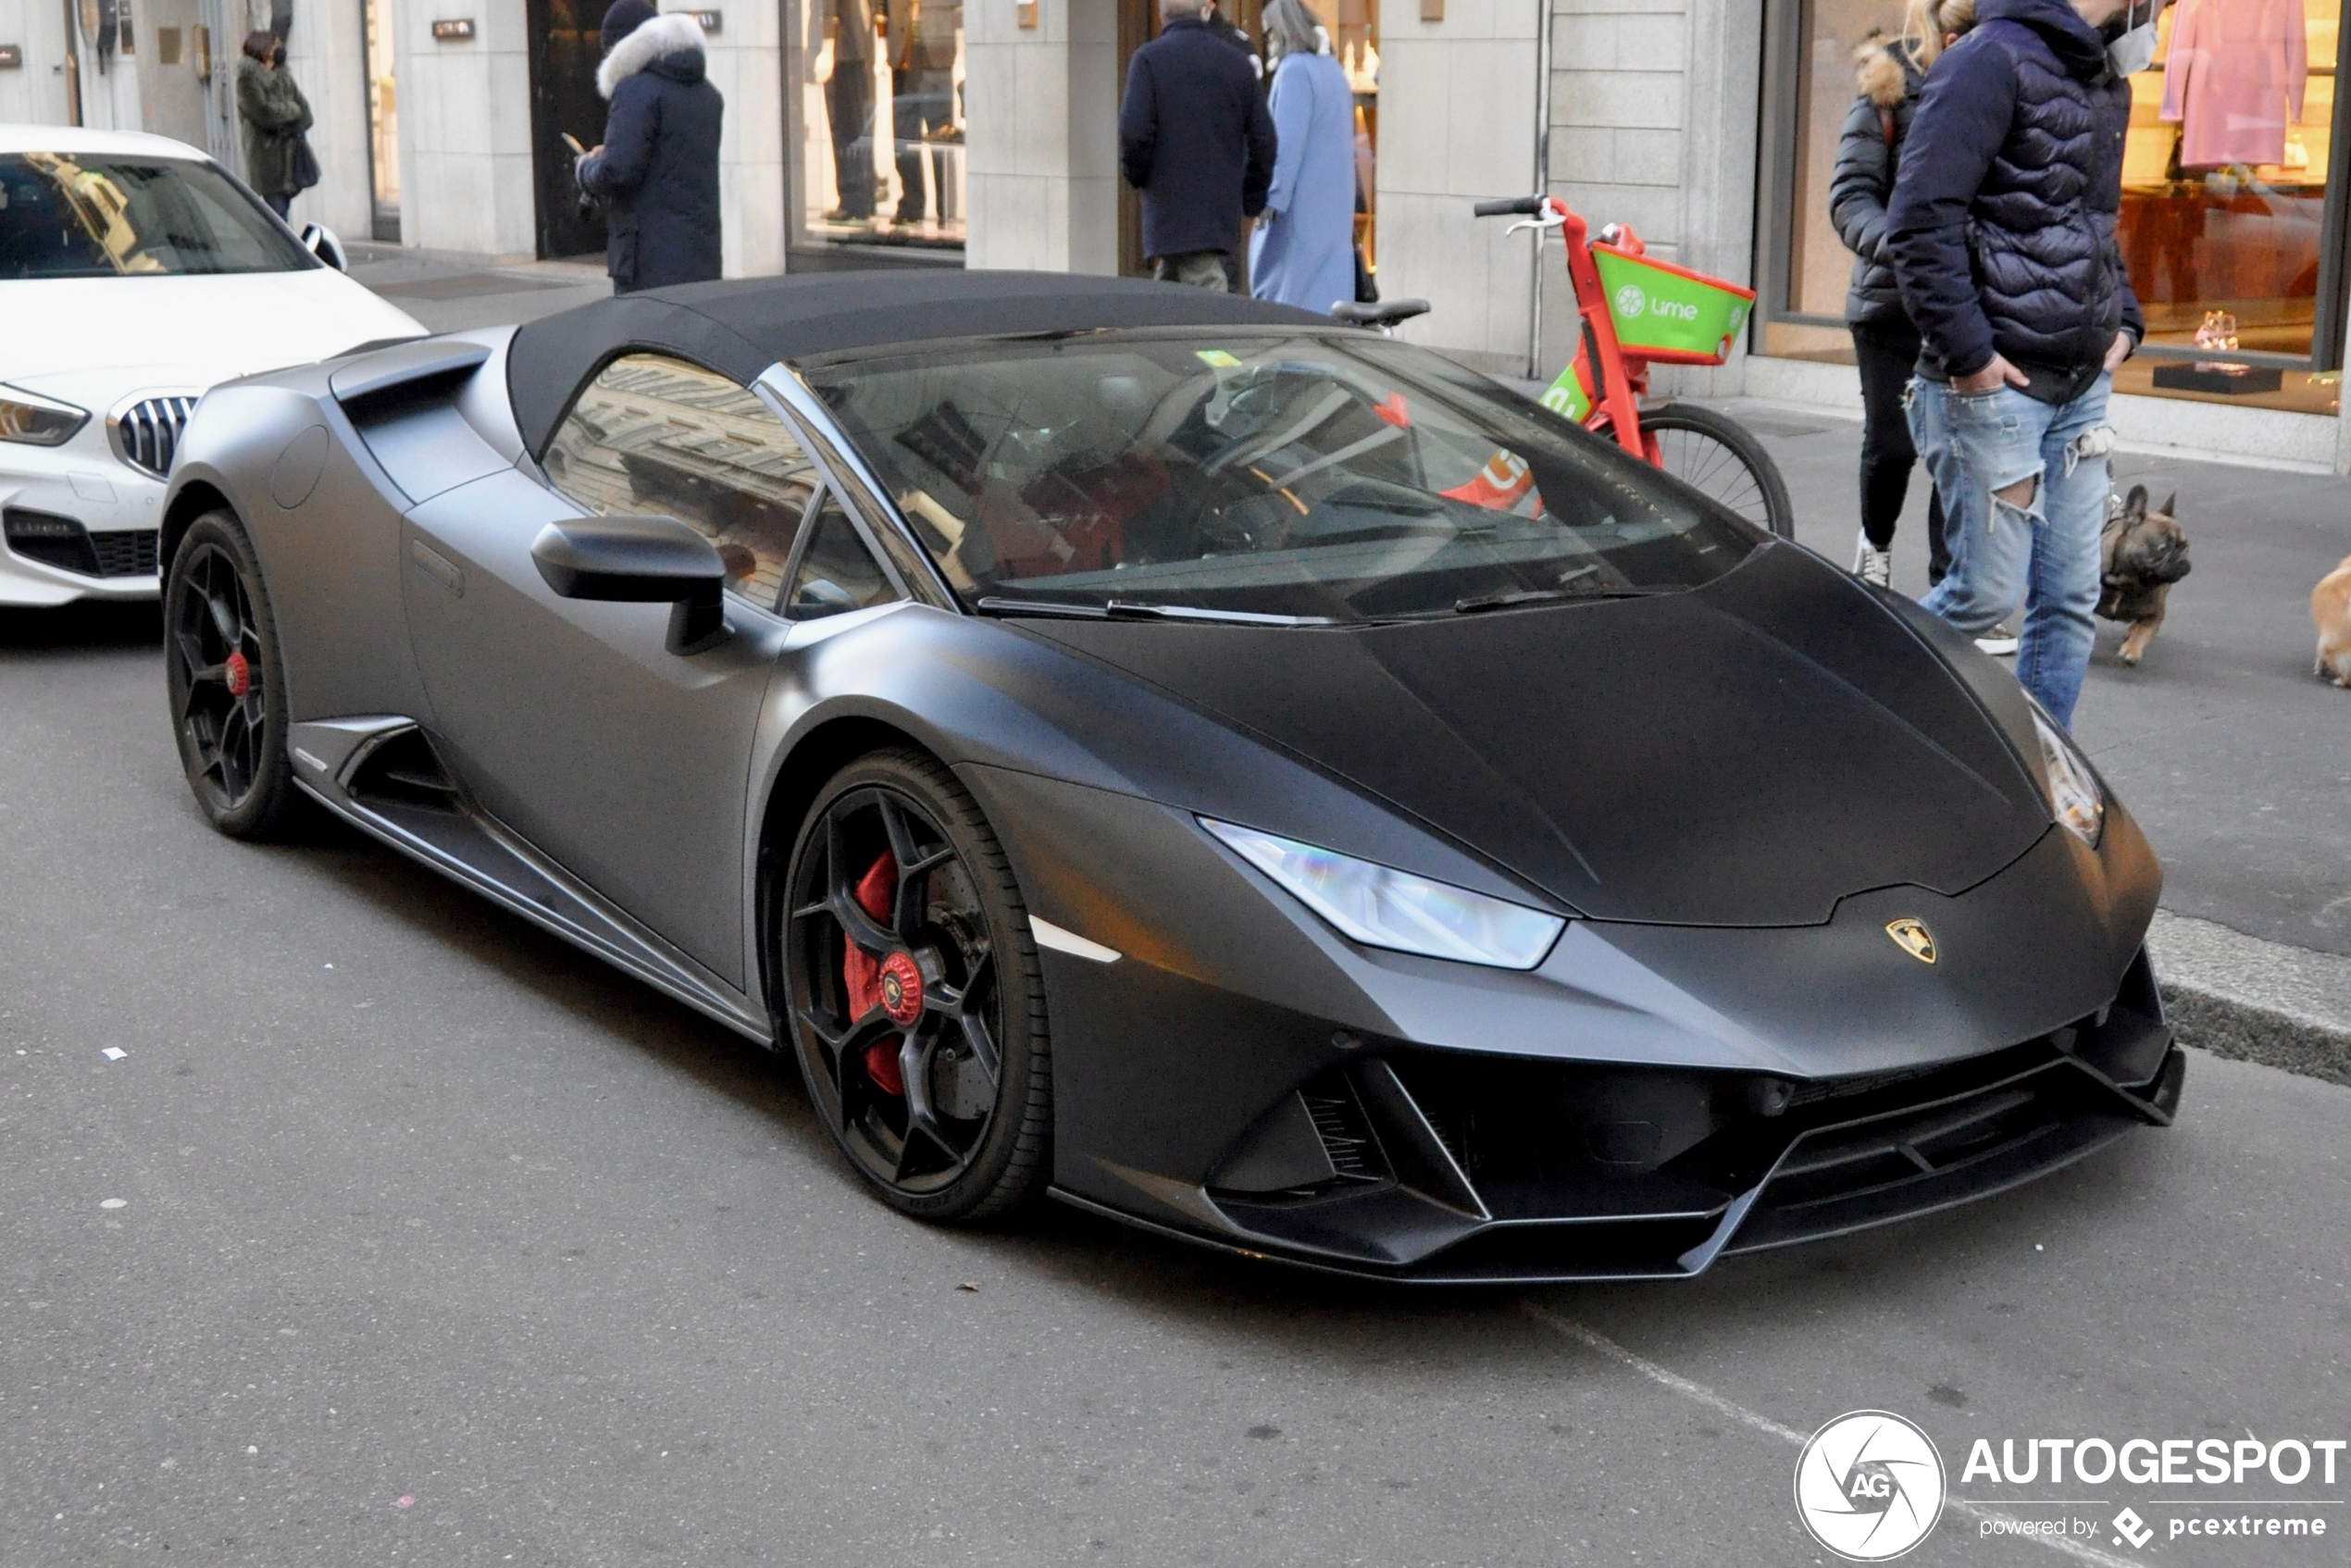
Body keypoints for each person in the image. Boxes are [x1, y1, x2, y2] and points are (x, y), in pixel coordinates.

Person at [1885, 0, 2159, 727]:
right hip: (1993, 388)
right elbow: (1919, 220)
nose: (2162, 13)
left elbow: (2089, 224)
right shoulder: (1988, 59)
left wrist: (2124, 320)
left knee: (2068, 602)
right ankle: (1854, 708)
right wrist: (1970, 356)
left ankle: (2042, 783)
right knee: (1981, 594)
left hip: (2078, 392)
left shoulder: (2107, 81)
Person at [1827, 0, 1973, 594]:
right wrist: (1907, 245)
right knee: (1893, 448)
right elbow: (1850, 196)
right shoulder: (1889, 82)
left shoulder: (1999, 80)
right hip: (1892, 303)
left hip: (1965, 303)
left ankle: (1952, 590)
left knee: (1957, 456)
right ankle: (1875, 544)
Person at [1119, 0, 1277, 291]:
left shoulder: (1148, 61)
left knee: (1173, 295)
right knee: (1206, 302)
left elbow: (1134, 134)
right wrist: (1252, 198)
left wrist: (1138, 176)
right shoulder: (1236, 62)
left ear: (1161, 13)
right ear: (1205, 10)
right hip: (1218, 216)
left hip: (1165, 214)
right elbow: (1264, 140)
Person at [578, 0, 724, 293]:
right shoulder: (706, 92)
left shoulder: (635, 90)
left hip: (649, 259)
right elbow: (672, 161)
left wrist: (586, 168)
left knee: (642, 337)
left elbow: (618, 172)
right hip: (699, 253)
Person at [1249, 0, 1355, 314]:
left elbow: (1285, 148)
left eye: (1268, 33)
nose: (1267, 41)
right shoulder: (1333, 70)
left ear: (1281, 31)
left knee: (1289, 311)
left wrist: (1269, 203)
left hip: (1300, 216)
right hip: (1332, 215)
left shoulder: (1294, 71)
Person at [887, 0, 961, 229]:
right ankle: (911, 205)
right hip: (904, 61)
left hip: (935, 61)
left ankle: (946, 212)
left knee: (941, 142)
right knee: (904, 139)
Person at [235, 31, 311, 220]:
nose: (281, 48)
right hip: (266, 158)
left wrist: (286, 116)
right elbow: (263, 113)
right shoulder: (247, 78)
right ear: (264, 49)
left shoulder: (284, 75)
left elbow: (306, 114)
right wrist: (291, 111)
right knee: (277, 216)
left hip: (289, 159)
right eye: (276, 44)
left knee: (282, 214)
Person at [820, 0, 876, 222]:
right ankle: (862, 199)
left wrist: (826, 50)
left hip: (843, 53)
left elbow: (828, 11)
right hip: (856, 50)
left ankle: (853, 200)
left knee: (845, 129)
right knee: (856, 128)